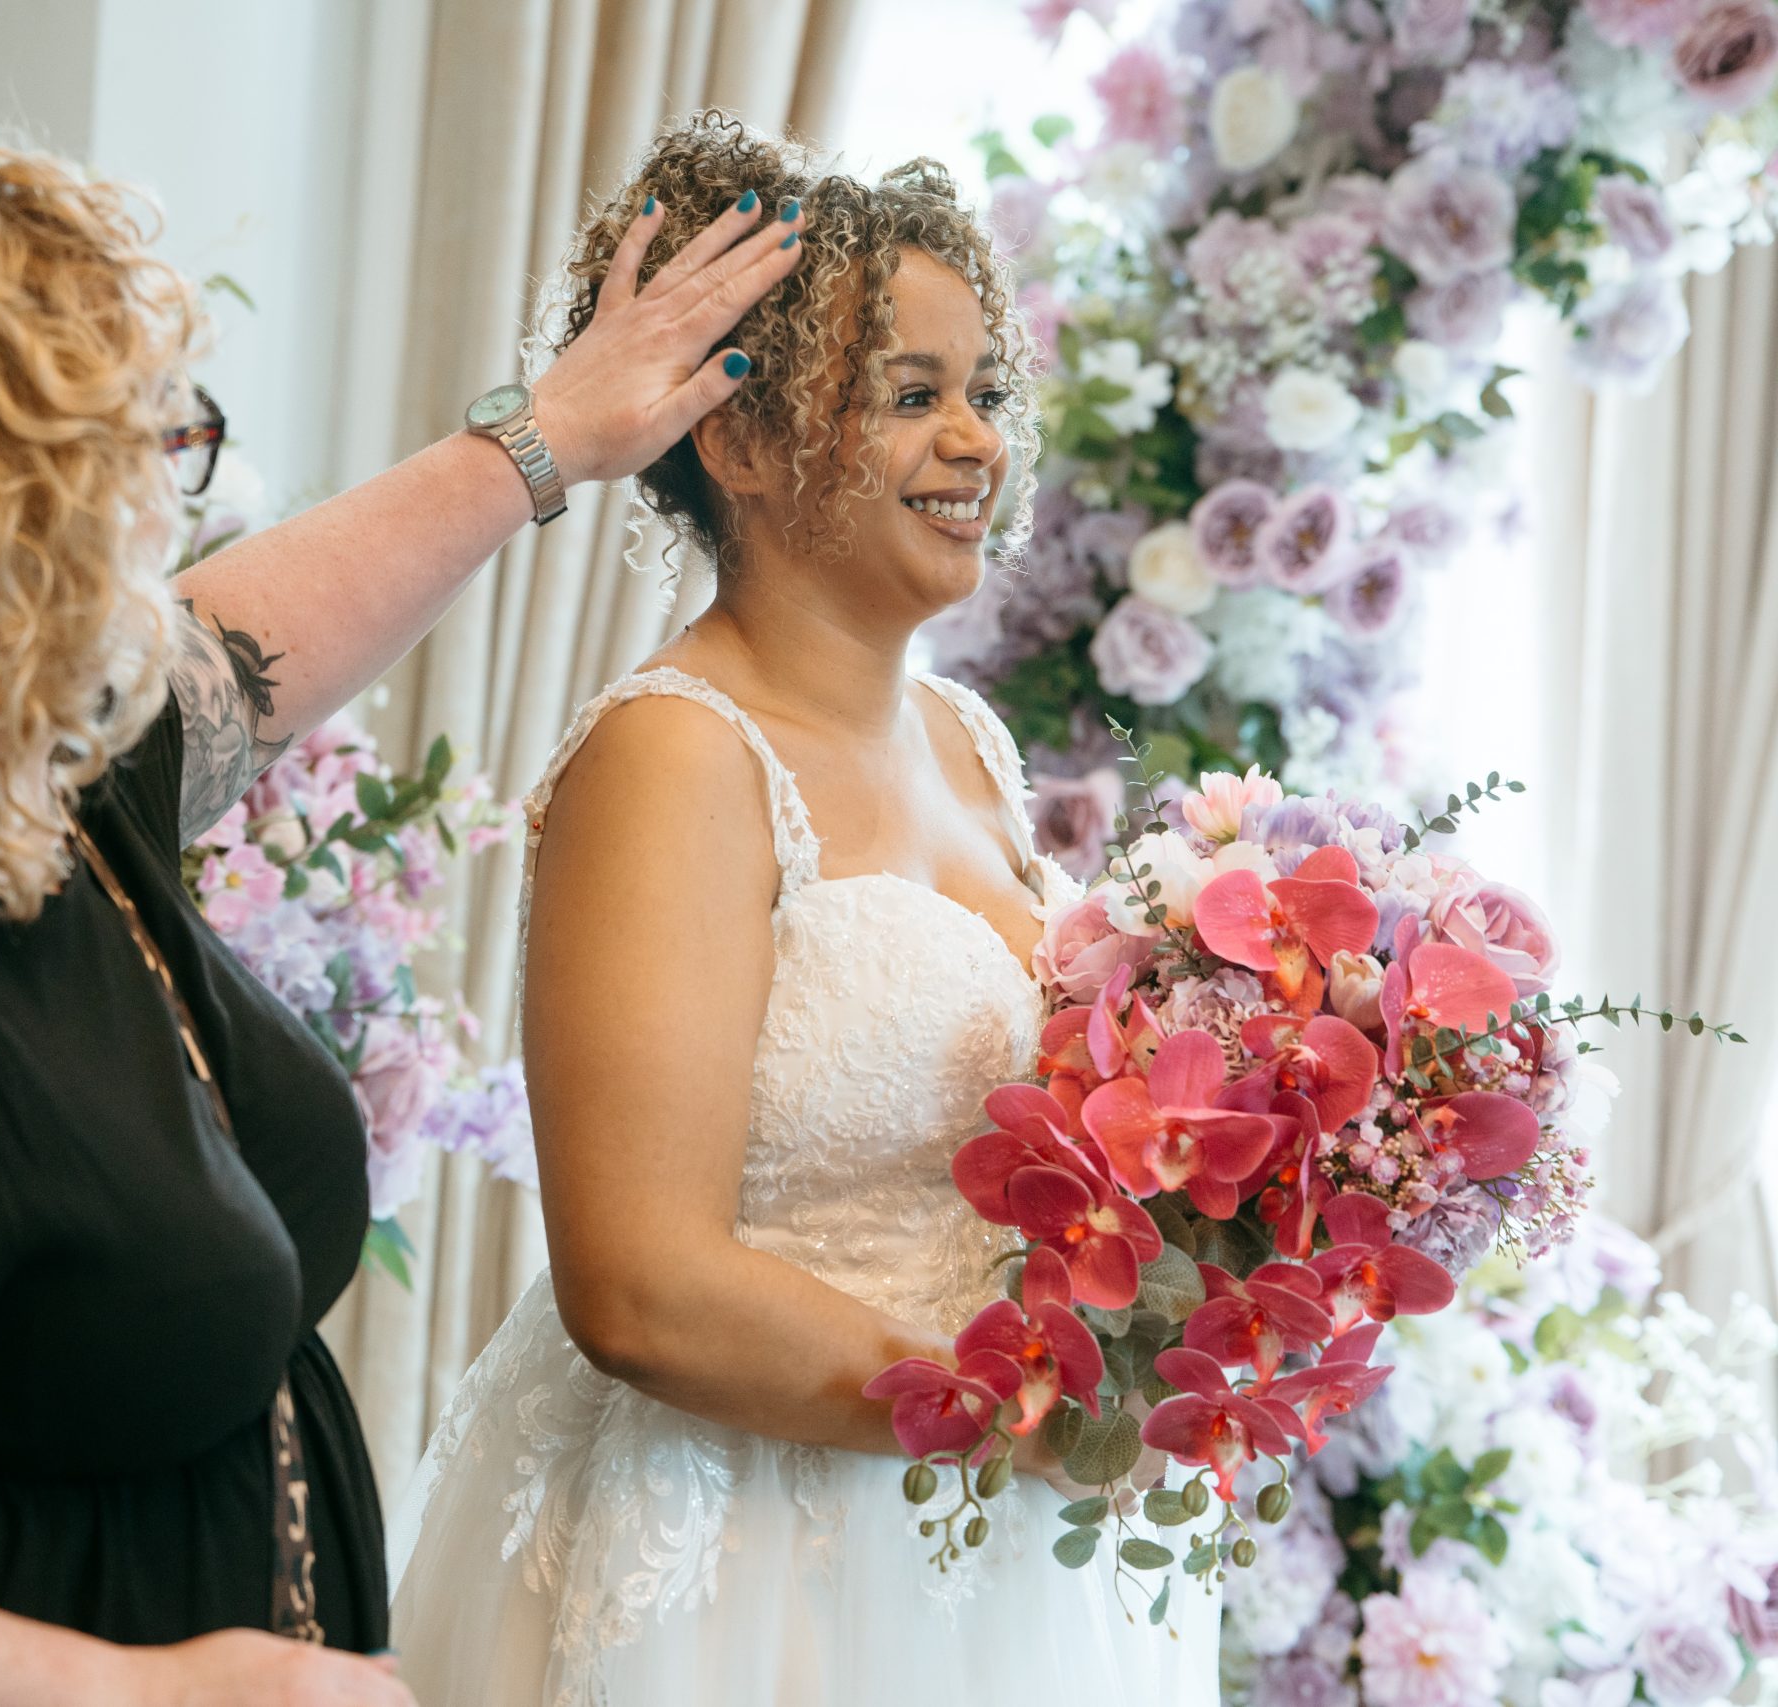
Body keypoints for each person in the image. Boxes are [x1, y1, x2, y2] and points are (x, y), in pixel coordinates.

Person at [0, 144, 801, 1707]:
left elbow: (247, 645)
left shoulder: (35, 767)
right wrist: (162, 1696)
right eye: (156, 440)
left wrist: (548, 437)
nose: (184, 486)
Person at [387, 115, 1211, 1704]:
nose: (978, 442)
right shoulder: (676, 757)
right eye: (913, 396)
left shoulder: (967, 739)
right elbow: (637, 1286)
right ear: (741, 444)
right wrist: (1019, 1408)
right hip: (752, 1567)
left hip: (980, 1560)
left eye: (986, 393)